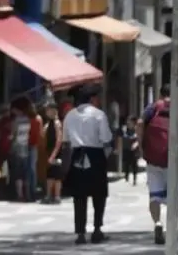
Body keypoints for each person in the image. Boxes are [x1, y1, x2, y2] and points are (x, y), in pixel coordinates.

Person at [62, 84, 112, 244]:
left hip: (77, 155)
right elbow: (105, 137)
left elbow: (65, 140)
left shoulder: (69, 116)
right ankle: (97, 229)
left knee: (79, 196)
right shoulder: (99, 115)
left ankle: (80, 233)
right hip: (95, 155)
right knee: (99, 194)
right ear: (92, 99)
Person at [138, 86, 178, 245]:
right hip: (174, 159)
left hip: (153, 158)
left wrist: (141, 145)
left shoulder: (152, 108)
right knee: (175, 194)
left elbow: (140, 123)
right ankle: (170, 227)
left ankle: (157, 223)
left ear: (160, 94)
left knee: (154, 194)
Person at [8, 98, 36, 202]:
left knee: (18, 173)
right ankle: (28, 194)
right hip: (26, 148)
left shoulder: (16, 121)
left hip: (17, 148)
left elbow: (13, 135)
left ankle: (20, 195)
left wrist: (10, 139)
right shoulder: (29, 119)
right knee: (26, 172)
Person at [42, 102, 65, 202]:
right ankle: (48, 195)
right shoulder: (49, 123)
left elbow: (59, 140)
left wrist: (53, 155)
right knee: (50, 175)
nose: (46, 112)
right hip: (49, 151)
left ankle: (57, 196)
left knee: (56, 175)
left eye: (48, 110)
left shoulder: (57, 123)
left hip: (55, 152)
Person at [120, 115, 140, 185]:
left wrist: (136, 144)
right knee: (126, 164)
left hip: (134, 150)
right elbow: (120, 136)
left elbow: (139, 139)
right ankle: (126, 177)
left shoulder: (137, 129)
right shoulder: (124, 129)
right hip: (126, 149)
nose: (128, 122)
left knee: (134, 164)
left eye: (130, 121)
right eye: (128, 121)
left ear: (133, 122)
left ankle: (134, 179)